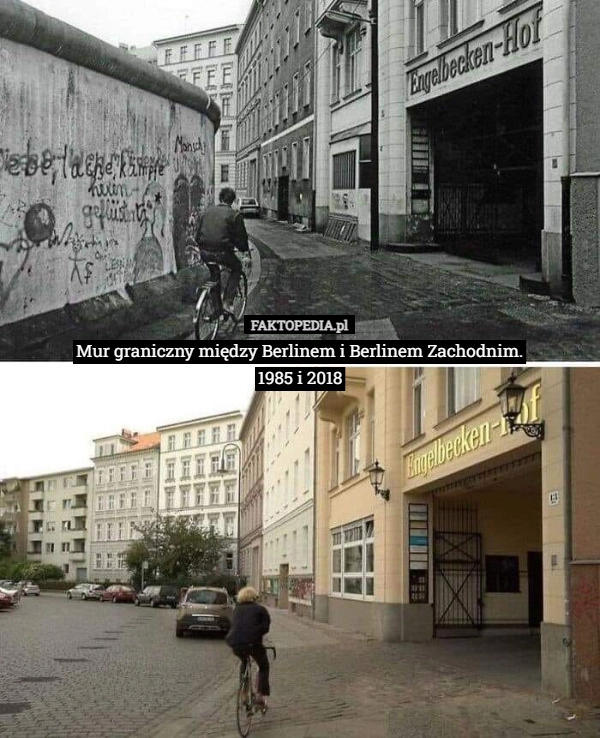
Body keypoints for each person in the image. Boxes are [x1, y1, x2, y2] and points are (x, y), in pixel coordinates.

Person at [194, 186, 250, 313]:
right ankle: (227, 301)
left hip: (205, 253)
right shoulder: (235, 215)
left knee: (215, 275)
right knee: (237, 268)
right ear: (232, 201)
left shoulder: (206, 212)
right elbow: (241, 239)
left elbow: (197, 236)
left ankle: (216, 307)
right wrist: (244, 252)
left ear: (220, 198)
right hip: (222, 253)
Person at [226, 586, 271, 706]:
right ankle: (260, 696)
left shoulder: (236, 610)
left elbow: (234, 625)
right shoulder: (260, 609)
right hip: (253, 643)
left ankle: (244, 694)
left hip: (235, 643)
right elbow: (265, 628)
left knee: (244, 662)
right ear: (254, 597)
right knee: (263, 666)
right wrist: (256, 632)